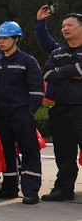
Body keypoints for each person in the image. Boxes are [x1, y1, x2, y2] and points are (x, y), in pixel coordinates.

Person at [0, 21, 44, 204]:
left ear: (16, 39)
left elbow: (36, 89)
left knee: (29, 151)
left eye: (5, 38)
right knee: (6, 152)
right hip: (2, 116)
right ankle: (9, 188)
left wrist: (30, 112)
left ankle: (31, 191)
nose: (1, 42)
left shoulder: (27, 61)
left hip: (21, 115)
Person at [41, 13, 82, 202]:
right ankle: (63, 189)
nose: (65, 28)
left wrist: (61, 71)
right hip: (61, 109)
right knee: (64, 153)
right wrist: (71, 71)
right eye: (63, 25)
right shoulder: (57, 52)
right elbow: (47, 73)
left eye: (70, 25)